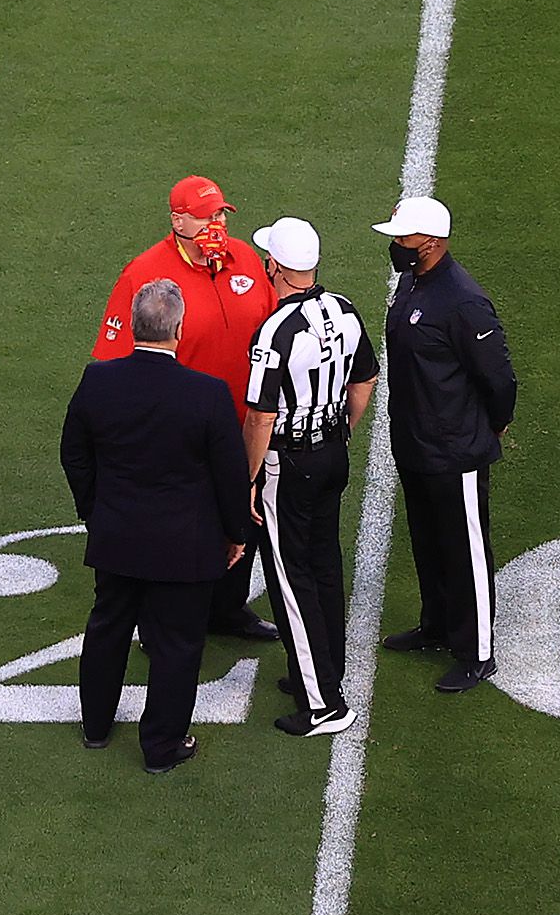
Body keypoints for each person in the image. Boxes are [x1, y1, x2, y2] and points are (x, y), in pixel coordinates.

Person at [61, 278, 252, 775]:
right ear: (179, 329)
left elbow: (74, 454)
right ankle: (162, 747)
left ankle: (95, 727)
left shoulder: (97, 381)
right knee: (176, 646)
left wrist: (95, 510)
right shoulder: (207, 394)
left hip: (117, 537)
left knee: (107, 630)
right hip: (183, 548)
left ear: (135, 324)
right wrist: (235, 535)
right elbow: (231, 476)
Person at [93, 174, 282, 642]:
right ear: (178, 220)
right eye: (206, 216)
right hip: (181, 425)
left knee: (245, 511)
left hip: (248, 418)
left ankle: (228, 608)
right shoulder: (145, 275)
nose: (216, 224)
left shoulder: (245, 260)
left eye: (220, 214)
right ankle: (169, 621)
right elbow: (115, 361)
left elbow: (275, 324)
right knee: (186, 523)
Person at [372, 196, 515, 694]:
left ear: (430, 243)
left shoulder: (463, 300)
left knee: (466, 548)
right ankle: (435, 625)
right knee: (429, 541)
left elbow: (497, 377)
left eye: (404, 238)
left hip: (454, 451)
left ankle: (477, 652)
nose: (396, 245)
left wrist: (494, 425)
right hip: (414, 443)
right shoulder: (413, 283)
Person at [243, 216, 378, 737]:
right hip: (331, 454)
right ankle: (324, 670)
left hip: (288, 462)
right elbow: (366, 376)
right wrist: (340, 429)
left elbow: (260, 417)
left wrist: (249, 479)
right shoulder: (343, 309)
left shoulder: (275, 331)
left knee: (290, 577)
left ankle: (323, 705)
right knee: (324, 565)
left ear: (274, 265)